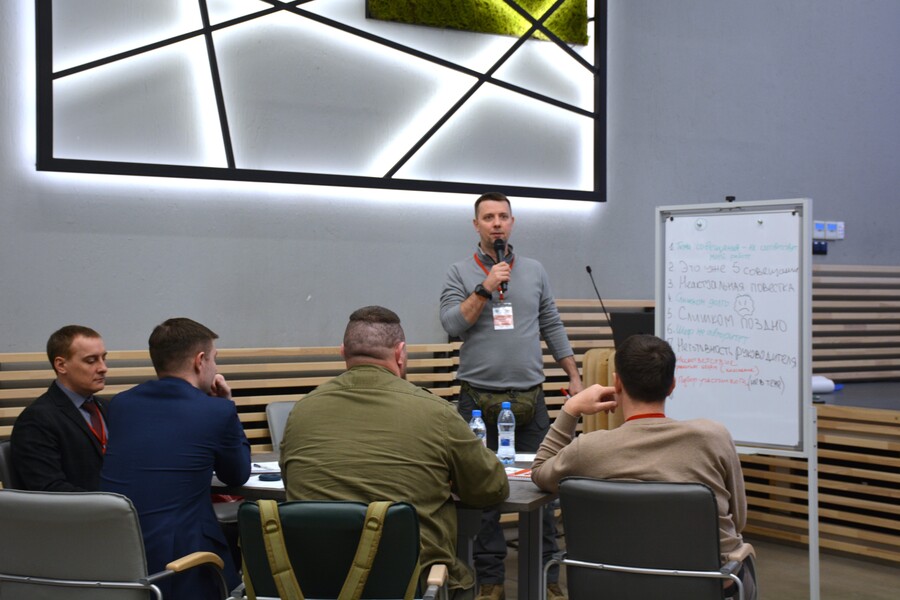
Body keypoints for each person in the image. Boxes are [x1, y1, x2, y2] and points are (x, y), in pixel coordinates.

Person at [280, 306, 509, 600]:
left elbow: (291, 481)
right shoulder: (436, 413)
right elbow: (491, 487)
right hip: (411, 585)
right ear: (400, 353)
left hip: (313, 584)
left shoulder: (301, 412)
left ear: (343, 352)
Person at [531, 334, 757, 599]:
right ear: (672, 385)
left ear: (617, 383)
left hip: (611, 587)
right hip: (706, 585)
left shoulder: (588, 449)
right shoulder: (714, 437)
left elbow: (540, 471)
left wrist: (571, 409)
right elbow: (738, 520)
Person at [439, 192, 582, 600]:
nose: (497, 223)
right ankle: (491, 581)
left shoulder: (534, 270)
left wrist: (573, 375)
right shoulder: (459, 272)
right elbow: (452, 324)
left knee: (544, 487)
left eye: (503, 216)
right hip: (477, 399)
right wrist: (485, 287)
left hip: (529, 398)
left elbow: (551, 323)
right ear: (476, 225)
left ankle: (547, 578)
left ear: (512, 223)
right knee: (482, 493)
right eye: (488, 217)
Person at [100, 318, 250, 600]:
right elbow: (236, 475)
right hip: (184, 567)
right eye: (215, 359)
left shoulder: (121, 404)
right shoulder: (216, 411)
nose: (216, 368)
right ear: (200, 361)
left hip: (118, 558)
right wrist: (226, 404)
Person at [10, 325, 109, 491]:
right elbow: (49, 489)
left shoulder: (108, 408)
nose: (103, 368)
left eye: (103, 358)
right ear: (61, 365)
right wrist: (109, 502)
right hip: (85, 507)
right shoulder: (36, 420)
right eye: (91, 361)